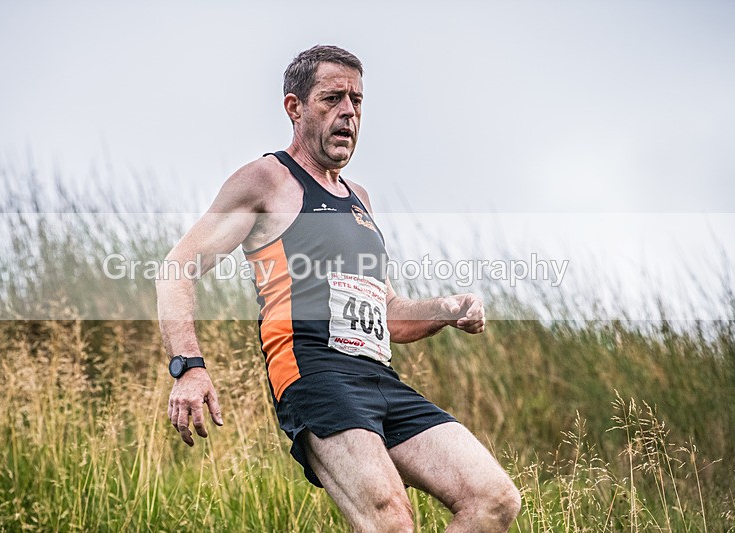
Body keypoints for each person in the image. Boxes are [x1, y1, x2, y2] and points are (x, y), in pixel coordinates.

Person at [156, 45, 521, 532]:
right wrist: (189, 367)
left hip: (379, 379)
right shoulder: (268, 180)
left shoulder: (360, 200)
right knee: (390, 521)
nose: (348, 112)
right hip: (315, 374)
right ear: (295, 108)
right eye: (332, 99)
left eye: (357, 101)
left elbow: (388, 313)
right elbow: (176, 268)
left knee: (494, 499)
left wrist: (448, 307)